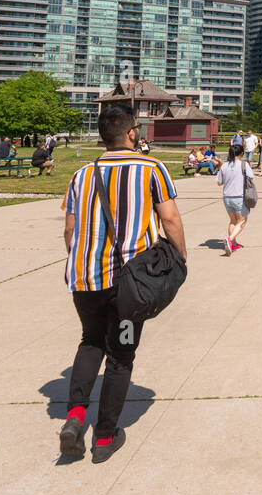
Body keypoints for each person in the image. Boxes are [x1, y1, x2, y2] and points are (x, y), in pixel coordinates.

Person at [58, 104, 186, 463]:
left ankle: (74, 417)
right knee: (120, 355)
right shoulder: (151, 169)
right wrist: (181, 258)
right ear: (132, 132)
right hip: (129, 284)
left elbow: (69, 230)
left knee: (90, 342)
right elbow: (170, 220)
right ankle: (104, 436)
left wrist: (81, 261)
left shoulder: (81, 174)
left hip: (85, 280)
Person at [216, 142, 255, 255]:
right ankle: (230, 239)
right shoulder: (244, 165)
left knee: (233, 221)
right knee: (242, 220)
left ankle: (233, 244)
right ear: (242, 153)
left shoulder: (224, 165)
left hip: (227, 197)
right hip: (239, 196)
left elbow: (219, 183)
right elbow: (251, 178)